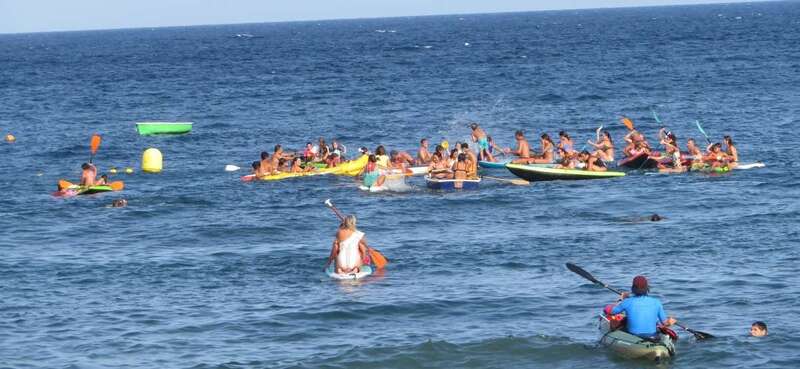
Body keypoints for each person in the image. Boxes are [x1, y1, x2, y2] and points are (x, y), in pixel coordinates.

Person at [611, 276, 677, 339]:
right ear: (647, 288)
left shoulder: (627, 301)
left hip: (633, 335)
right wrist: (670, 322)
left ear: (633, 288)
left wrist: (621, 299)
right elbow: (665, 323)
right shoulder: (656, 302)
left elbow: (612, 311)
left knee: (618, 321)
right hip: (652, 334)